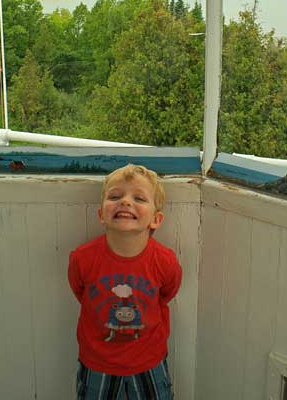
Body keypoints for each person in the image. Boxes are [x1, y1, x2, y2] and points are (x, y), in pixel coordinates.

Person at [68, 164, 182, 400]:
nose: (126, 202)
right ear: (101, 214)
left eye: (139, 198)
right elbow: (80, 292)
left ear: (156, 219)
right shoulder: (82, 259)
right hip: (98, 364)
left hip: (149, 363)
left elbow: (167, 292)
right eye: (115, 196)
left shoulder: (165, 261)